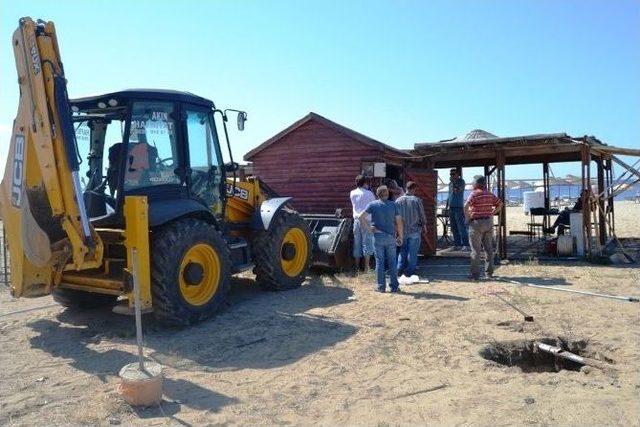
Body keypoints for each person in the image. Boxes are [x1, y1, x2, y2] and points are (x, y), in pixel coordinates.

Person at [360, 186, 404, 292]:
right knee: (392, 262)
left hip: (378, 236)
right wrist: (400, 236)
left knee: (380, 262)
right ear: (387, 194)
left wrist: (369, 228)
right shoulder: (393, 205)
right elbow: (399, 222)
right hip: (390, 237)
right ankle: (394, 287)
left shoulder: (373, 205)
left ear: (377, 194)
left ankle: (381, 287)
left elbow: (361, 216)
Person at [464, 175, 503, 281]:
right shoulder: (490, 194)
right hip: (488, 222)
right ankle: (489, 273)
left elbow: (466, 206)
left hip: (476, 223)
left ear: (476, 184)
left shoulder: (474, 194)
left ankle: (475, 274)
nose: (472, 184)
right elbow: (500, 204)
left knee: (475, 250)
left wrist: (467, 218)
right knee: (489, 249)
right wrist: (492, 213)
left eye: (473, 183)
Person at [395, 181, 428, 278]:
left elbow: (395, 217)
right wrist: (424, 227)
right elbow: (422, 215)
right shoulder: (416, 200)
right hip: (415, 230)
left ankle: (399, 270)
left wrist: (396, 230)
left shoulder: (398, 201)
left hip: (402, 231)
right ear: (414, 189)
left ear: (406, 188)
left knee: (402, 251)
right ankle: (409, 272)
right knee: (412, 253)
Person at [350, 175, 376, 272]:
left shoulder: (352, 193)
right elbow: (374, 205)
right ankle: (366, 267)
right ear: (365, 183)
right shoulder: (369, 193)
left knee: (357, 243)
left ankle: (357, 267)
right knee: (367, 243)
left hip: (356, 220)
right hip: (367, 220)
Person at [448, 168, 469, 251]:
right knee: (454, 227)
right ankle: (457, 244)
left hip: (458, 207)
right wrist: (447, 206)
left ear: (458, 174)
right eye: (450, 174)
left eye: (453, 174)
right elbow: (450, 195)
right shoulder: (450, 183)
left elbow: (457, 191)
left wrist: (453, 182)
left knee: (461, 227)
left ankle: (466, 245)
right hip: (451, 207)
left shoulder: (461, 182)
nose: (451, 176)